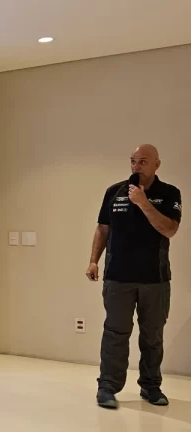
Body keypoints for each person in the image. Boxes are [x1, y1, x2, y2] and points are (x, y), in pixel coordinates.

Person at [86, 144, 182, 409]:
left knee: (152, 335)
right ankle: (107, 387)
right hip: (118, 277)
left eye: (143, 161)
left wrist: (144, 203)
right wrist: (93, 260)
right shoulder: (114, 192)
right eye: (133, 161)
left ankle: (151, 387)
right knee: (115, 333)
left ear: (156, 164)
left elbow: (170, 229)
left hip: (155, 278)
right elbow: (102, 229)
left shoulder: (169, 193)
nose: (136, 166)